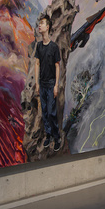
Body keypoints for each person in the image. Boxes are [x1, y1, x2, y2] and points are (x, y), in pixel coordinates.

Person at [35, 15, 62, 151]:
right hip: (42, 84)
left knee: (51, 112)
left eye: (42, 24)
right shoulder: (39, 46)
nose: (39, 26)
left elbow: (57, 66)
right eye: (39, 24)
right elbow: (37, 64)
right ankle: (48, 135)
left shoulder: (54, 47)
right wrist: (37, 83)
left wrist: (56, 85)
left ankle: (57, 137)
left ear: (48, 27)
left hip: (51, 84)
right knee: (45, 112)